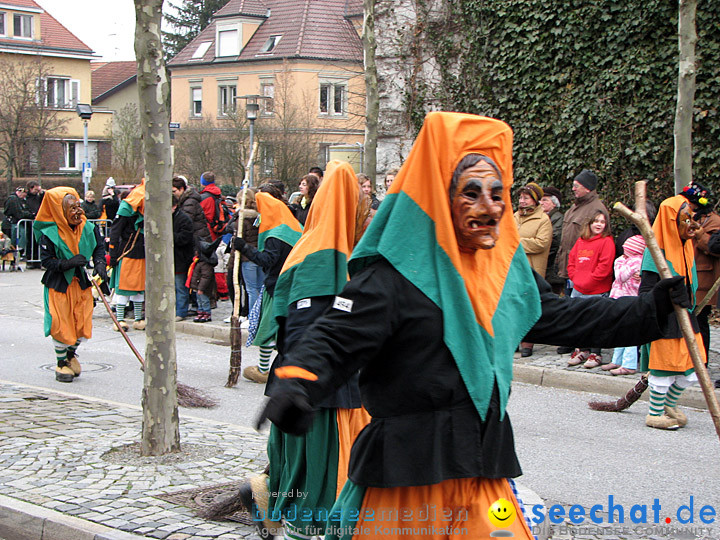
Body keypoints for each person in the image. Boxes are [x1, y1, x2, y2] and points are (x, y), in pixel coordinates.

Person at [258, 112, 685, 540]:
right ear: (442, 198)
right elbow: (334, 336)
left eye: (498, 193)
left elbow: (562, 317)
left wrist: (651, 309)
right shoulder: (393, 275)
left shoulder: (505, 273)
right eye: (472, 193)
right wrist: (297, 383)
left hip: (484, 472)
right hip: (407, 481)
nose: (490, 207)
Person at [244, 161, 373, 540]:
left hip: (317, 391)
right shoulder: (322, 257)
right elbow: (305, 331)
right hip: (321, 398)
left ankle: (265, 495)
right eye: (360, 202)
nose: (366, 211)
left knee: (307, 481)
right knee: (319, 493)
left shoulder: (319, 246)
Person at [638, 188, 706, 430]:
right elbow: (645, 291)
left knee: (692, 365)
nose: (690, 223)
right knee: (664, 366)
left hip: (686, 315)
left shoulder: (687, 247)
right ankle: (654, 413)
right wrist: (665, 297)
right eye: (684, 218)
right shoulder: (654, 252)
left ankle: (669, 404)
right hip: (665, 318)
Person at [32, 187, 107, 382]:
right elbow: (46, 262)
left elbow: (99, 247)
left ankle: (71, 354)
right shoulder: (49, 233)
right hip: (59, 285)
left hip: (81, 284)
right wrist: (68, 263)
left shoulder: (88, 227)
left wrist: (100, 264)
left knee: (82, 325)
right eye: (71, 208)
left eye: (77, 206)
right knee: (61, 324)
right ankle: (61, 363)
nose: (77, 212)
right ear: (59, 210)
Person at [233, 186, 302, 383]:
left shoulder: (275, 236)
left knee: (269, 327)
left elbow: (267, 260)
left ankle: (264, 370)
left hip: (278, 287)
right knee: (284, 328)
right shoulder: (292, 227)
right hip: (292, 284)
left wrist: (244, 247)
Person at [566, 210, 615, 368]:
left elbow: (604, 268)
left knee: (595, 322)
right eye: (595, 221)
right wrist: (575, 278)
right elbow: (572, 261)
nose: (599, 224)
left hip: (597, 289)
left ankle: (596, 353)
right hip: (579, 288)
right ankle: (581, 349)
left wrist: (587, 281)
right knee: (578, 321)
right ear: (589, 223)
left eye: (602, 221)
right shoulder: (581, 241)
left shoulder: (606, 241)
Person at [514, 182, 552, 357]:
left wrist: (516, 243)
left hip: (532, 268)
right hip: (513, 269)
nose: (522, 201)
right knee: (513, 304)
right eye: (521, 197)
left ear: (535, 200)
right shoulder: (514, 217)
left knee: (529, 305)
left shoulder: (543, 220)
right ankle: (513, 340)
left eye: (526, 198)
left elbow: (541, 243)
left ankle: (528, 342)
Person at [604, 235, 646, 375]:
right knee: (619, 331)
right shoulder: (632, 261)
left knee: (629, 333)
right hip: (621, 298)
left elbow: (620, 276)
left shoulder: (634, 261)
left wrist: (620, 263)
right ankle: (617, 360)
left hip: (629, 300)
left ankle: (629, 363)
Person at [108, 181, 147, 332]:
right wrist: (112, 253)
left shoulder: (145, 212)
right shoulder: (125, 209)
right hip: (126, 252)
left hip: (141, 252)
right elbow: (115, 231)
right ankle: (120, 319)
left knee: (138, 288)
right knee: (123, 287)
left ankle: (138, 319)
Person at [172, 195, 195, 321]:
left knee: (180, 286)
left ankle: (181, 311)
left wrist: (169, 235)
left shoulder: (184, 219)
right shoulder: (168, 217)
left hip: (181, 257)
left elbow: (185, 238)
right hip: (172, 257)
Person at [539, 186, 564, 295]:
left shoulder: (557, 218)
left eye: (545, 200)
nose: (541, 203)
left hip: (552, 269)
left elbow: (553, 241)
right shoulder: (542, 217)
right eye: (540, 200)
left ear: (554, 203)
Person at [172, 175, 211, 242]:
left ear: (181, 189)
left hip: (197, 239)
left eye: (174, 191)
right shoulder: (186, 200)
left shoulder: (189, 202)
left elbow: (185, 222)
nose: (172, 194)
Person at [199, 171, 229, 241]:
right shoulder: (218, 195)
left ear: (202, 182)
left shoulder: (204, 198)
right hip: (217, 228)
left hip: (207, 230)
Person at [2, 186, 32, 256]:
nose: (24, 197)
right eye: (23, 195)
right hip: (10, 224)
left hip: (12, 224)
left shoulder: (17, 200)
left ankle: (15, 259)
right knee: (13, 243)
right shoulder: (13, 199)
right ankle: (16, 254)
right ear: (20, 192)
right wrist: (30, 215)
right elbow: (19, 214)